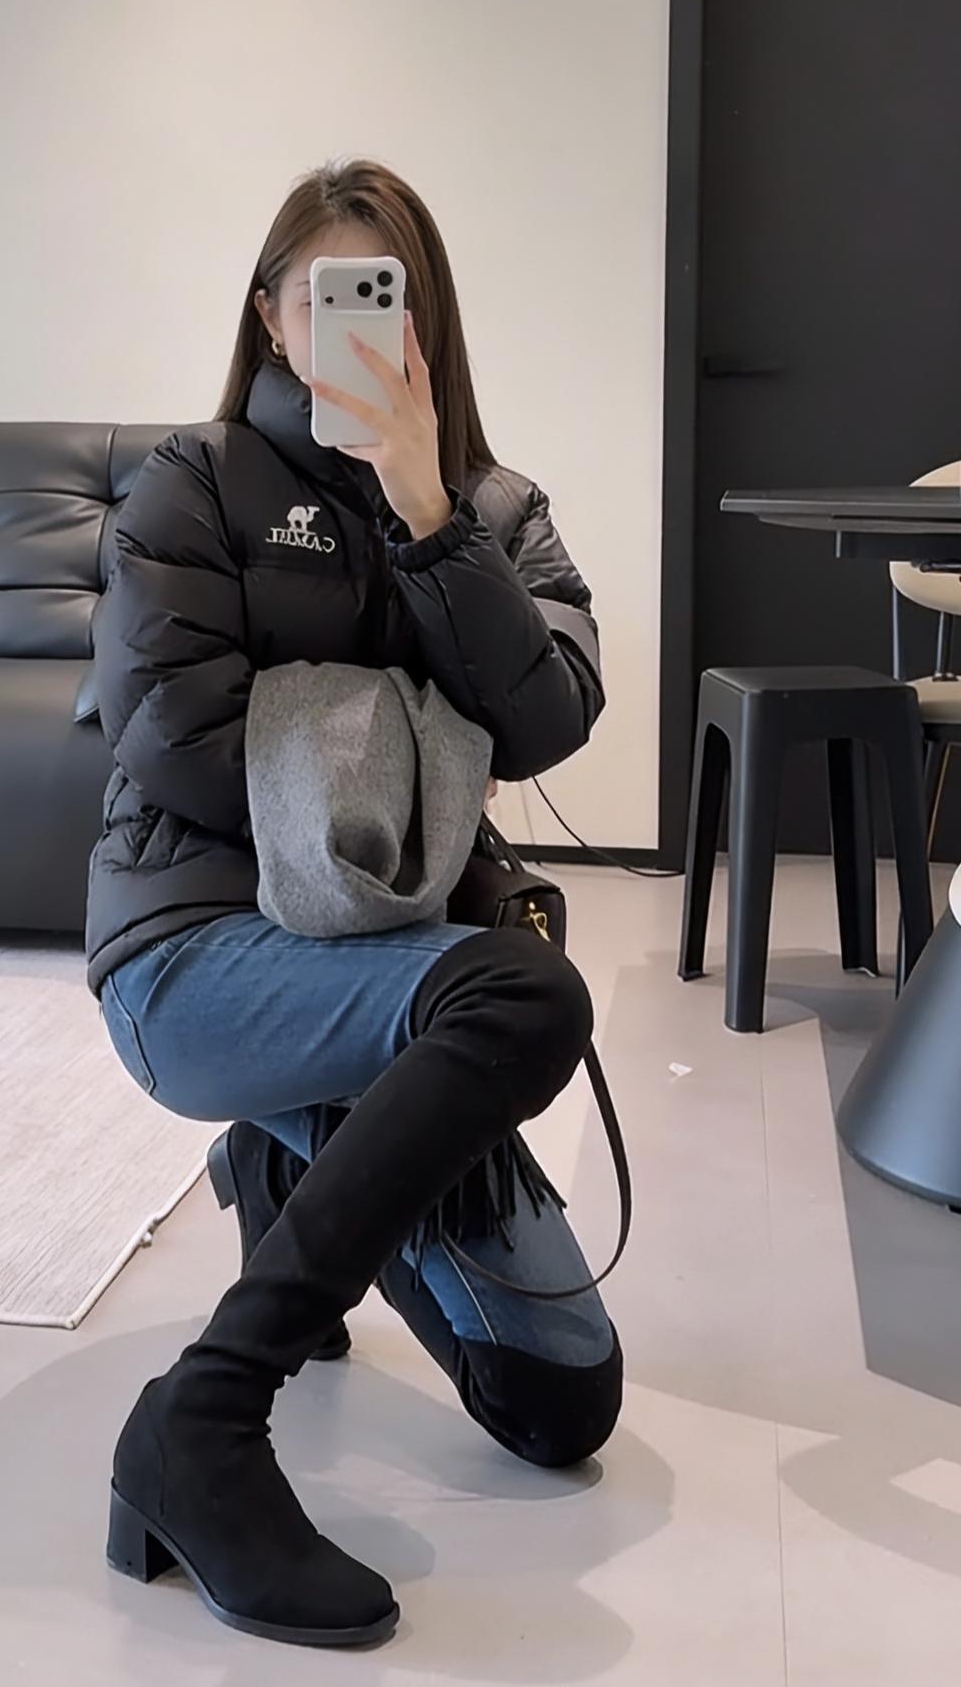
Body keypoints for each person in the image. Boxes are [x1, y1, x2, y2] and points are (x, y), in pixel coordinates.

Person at [85, 157, 620, 1649]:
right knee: (521, 997)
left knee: (560, 1404)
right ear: (271, 317)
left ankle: (282, 1159)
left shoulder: (497, 511)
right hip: (194, 949)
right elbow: (173, 734)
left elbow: (551, 717)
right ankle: (201, 1423)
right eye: (325, 298)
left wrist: (430, 519)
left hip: (391, 977)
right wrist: (422, 749)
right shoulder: (193, 482)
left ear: (429, 327)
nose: (358, 330)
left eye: (389, 302)